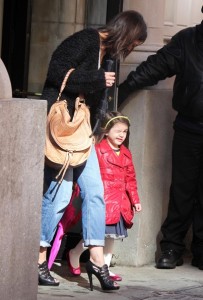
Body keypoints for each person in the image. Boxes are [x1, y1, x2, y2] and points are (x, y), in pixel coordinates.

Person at [38, 10, 147, 290]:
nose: (131, 48)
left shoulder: (107, 54)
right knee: (59, 194)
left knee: (96, 194)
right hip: (65, 131)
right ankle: (38, 258)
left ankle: (97, 262)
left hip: (84, 135)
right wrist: (98, 80)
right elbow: (55, 72)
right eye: (133, 42)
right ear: (125, 33)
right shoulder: (87, 39)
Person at [118, 6, 203, 271]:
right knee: (182, 189)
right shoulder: (187, 40)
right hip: (190, 127)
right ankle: (171, 247)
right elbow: (155, 66)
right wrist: (121, 92)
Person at [65, 111, 141, 281]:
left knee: (111, 237)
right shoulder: (98, 150)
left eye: (125, 131)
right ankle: (74, 253)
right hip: (104, 199)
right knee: (95, 235)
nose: (122, 135)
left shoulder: (126, 153)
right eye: (118, 131)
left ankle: (104, 267)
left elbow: (131, 179)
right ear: (106, 131)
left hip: (120, 201)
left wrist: (135, 200)